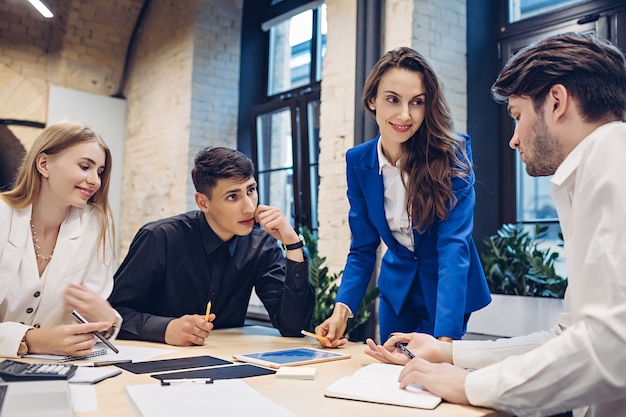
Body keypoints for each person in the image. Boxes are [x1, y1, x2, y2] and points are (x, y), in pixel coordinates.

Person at [364, 32, 626, 417]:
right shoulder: (598, 165)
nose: (513, 139)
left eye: (518, 116)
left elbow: (610, 347)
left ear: (556, 102)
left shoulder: (611, 160)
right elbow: (572, 338)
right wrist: (449, 352)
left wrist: (469, 384)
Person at [315, 47, 491, 347]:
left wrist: (445, 342)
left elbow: (453, 246)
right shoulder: (358, 161)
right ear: (373, 100)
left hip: (447, 293)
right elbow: (363, 247)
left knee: (431, 379)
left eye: (417, 102)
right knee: (391, 377)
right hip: (397, 294)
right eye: (392, 99)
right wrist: (341, 312)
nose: (404, 115)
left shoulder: (452, 154)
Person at [108, 146, 315, 346]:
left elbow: (294, 328)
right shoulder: (160, 238)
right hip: (156, 361)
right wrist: (165, 328)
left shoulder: (261, 245)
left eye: (251, 190)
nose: (249, 207)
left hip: (227, 363)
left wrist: (292, 244)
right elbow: (111, 314)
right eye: (233, 196)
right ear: (203, 202)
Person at [0, 121, 120, 358]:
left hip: (58, 369)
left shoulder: (96, 223)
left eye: (100, 171)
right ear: (44, 164)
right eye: (85, 166)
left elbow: (86, 326)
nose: (95, 181)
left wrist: (106, 322)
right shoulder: (3, 215)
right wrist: (30, 340)